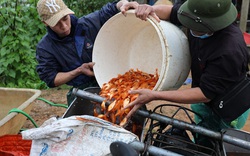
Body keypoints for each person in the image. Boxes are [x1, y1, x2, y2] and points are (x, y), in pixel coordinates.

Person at [124, 0, 250, 150]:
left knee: (214, 144)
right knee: (201, 132)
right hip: (204, 94)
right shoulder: (198, 13)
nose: (188, 26)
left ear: (210, 26)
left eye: (194, 27)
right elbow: (172, 12)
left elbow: (205, 93)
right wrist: (151, 9)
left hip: (228, 106)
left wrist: (154, 95)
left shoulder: (229, 50)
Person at [35, 0, 138, 105]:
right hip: (81, 90)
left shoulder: (89, 23)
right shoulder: (45, 48)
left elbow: (111, 9)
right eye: (56, 23)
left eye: (65, 18)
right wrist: (79, 70)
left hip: (110, 79)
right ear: (45, 23)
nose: (64, 26)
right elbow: (52, 78)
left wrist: (123, 4)